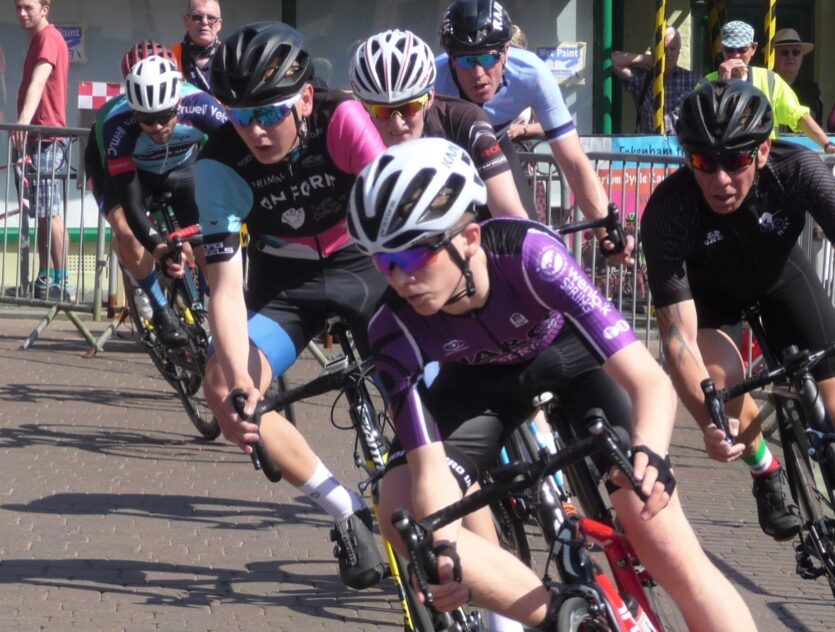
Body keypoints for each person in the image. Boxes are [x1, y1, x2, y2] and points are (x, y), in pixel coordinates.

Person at [347, 136, 787, 632]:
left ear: (469, 235)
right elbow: (431, 476)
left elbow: (649, 381)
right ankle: (565, 613)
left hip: (572, 362)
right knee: (402, 507)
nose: (400, 277)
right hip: (478, 390)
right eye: (385, 262)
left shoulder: (531, 256)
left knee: (660, 534)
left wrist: (649, 457)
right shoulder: (391, 328)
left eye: (413, 256)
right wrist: (445, 549)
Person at [640, 80, 835, 632]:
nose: (719, 178)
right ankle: (766, 471)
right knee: (717, 381)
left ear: (763, 150)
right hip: (712, 304)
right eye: (702, 161)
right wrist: (711, 420)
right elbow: (678, 338)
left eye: (735, 161)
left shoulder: (800, 169)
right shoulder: (669, 211)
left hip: (784, 281)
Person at [196, 22, 389, 591]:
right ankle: (344, 511)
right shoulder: (219, 162)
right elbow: (226, 288)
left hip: (363, 263)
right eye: (240, 114)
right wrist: (238, 382)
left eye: (270, 112)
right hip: (288, 284)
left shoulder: (342, 118)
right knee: (221, 386)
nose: (256, 130)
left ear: (304, 97)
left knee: (430, 382)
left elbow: (391, 215)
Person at [434, 0, 630, 257]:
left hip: (495, 147)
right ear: (451, 60)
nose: (479, 72)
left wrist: (607, 232)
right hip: (446, 159)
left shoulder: (531, 73)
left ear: (505, 52)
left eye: (488, 57)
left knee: (527, 240)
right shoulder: (433, 81)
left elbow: (573, 162)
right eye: (467, 61)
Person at [95, 53, 229, 347]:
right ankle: (158, 308)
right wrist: (158, 248)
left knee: (209, 244)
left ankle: (223, 313)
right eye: (146, 119)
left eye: (164, 117)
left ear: (178, 104)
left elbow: (234, 158)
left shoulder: (201, 105)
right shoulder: (118, 125)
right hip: (135, 173)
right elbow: (130, 203)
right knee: (129, 235)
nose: (156, 127)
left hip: (181, 168)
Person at [348, 28, 528, 219]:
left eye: (409, 108)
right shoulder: (351, 129)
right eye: (382, 111)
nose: (397, 123)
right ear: (365, 107)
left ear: (429, 97)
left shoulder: (465, 121)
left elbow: (511, 215)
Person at [704, 20, 835, 158]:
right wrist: (722, 84)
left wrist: (828, 145)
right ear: (722, 49)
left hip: (763, 160)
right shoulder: (707, 83)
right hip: (722, 162)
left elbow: (798, 116)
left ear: (753, 49)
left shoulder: (770, 80)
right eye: (730, 49)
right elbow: (700, 123)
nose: (736, 55)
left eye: (742, 49)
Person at [13, 0, 71, 301]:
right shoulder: (39, 39)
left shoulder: (49, 38)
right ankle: (47, 275)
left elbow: (39, 81)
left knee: (52, 211)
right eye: (18, 7)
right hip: (37, 138)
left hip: (48, 137)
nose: (22, 12)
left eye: (28, 7)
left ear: (45, 8)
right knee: (41, 213)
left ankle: (63, 279)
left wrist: (23, 121)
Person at [611, 25, 697, 134]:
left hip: (680, 148)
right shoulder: (643, 79)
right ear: (654, 51)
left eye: (673, 49)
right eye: (664, 49)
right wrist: (647, 59)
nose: (669, 54)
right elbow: (612, 61)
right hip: (650, 148)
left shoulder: (692, 80)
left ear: (679, 50)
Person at [771, 28, 822, 130]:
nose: (790, 57)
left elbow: (814, 122)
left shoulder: (811, 90)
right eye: (784, 53)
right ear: (774, 57)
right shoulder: (764, 84)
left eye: (795, 52)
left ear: (802, 57)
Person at [171, 0, 223, 93]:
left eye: (211, 18)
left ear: (219, 24)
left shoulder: (229, 55)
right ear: (186, 21)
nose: (204, 22)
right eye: (197, 17)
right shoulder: (170, 57)